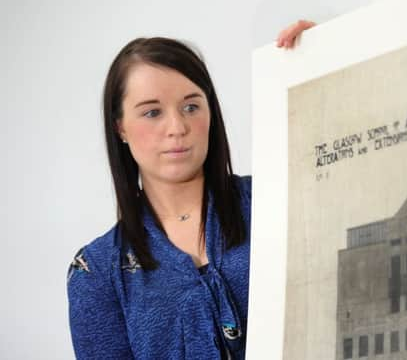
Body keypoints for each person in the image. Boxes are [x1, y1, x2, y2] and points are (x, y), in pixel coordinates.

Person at [66, 20, 315, 360]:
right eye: (152, 112)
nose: (178, 127)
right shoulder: (96, 272)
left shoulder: (276, 198)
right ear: (120, 127)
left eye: (191, 106)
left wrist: (325, 60)